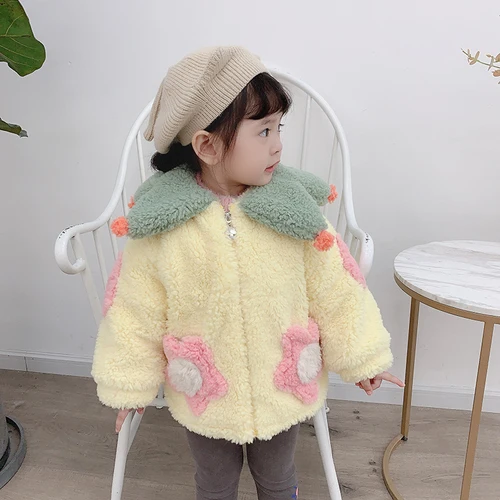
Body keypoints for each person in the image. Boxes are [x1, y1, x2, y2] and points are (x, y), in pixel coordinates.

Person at [91, 46, 403, 500]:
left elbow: (338, 288)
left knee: (278, 479)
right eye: (263, 131)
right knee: (214, 483)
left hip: (282, 386)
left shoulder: (292, 211)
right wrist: (130, 385)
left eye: (279, 128)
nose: (278, 145)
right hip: (207, 391)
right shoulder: (164, 225)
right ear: (207, 145)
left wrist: (363, 358)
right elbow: (134, 309)